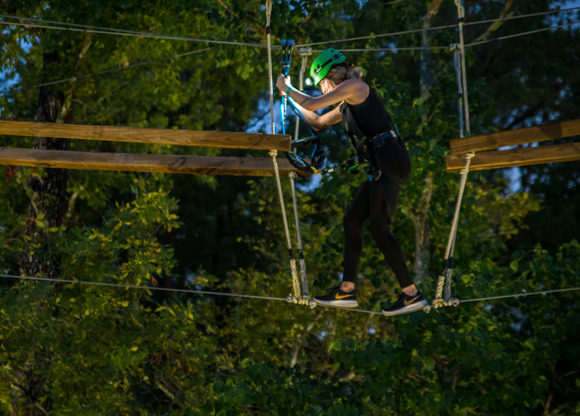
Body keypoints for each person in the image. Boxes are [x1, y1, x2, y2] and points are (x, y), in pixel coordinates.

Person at [276, 48, 427, 316]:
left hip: (390, 159)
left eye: (322, 84)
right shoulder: (347, 102)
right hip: (381, 164)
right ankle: (346, 290)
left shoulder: (356, 87)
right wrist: (290, 98)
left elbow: (314, 104)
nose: (322, 89)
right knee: (353, 221)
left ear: (329, 75)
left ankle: (411, 294)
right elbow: (318, 120)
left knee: (379, 228)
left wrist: (288, 89)